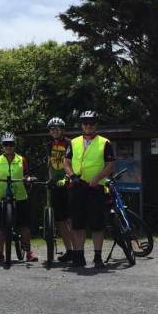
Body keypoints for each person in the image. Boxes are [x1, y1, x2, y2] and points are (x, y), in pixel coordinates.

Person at [63, 110, 115, 269]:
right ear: (81, 125)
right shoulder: (73, 142)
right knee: (77, 223)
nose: (88, 126)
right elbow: (66, 161)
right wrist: (71, 175)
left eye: (91, 123)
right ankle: (79, 255)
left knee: (97, 224)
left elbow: (110, 165)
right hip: (78, 186)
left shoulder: (105, 142)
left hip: (96, 187)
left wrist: (98, 178)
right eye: (85, 123)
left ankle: (98, 256)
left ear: (96, 125)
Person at [0, 132, 38, 263]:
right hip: (0, 195)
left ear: (15, 146)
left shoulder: (21, 159)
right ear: (2, 146)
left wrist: (29, 179)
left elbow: (26, 175)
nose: (8, 147)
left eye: (11, 144)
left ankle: (28, 252)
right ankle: (0, 252)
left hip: (19, 195)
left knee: (24, 225)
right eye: (6, 144)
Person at [45, 117, 75, 263]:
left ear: (62, 130)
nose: (54, 131)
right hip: (56, 184)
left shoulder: (70, 143)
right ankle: (69, 250)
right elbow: (50, 163)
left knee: (70, 218)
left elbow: (72, 162)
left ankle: (77, 250)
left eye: (57, 128)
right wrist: (50, 179)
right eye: (51, 129)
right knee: (60, 220)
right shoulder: (49, 144)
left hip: (68, 184)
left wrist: (68, 177)